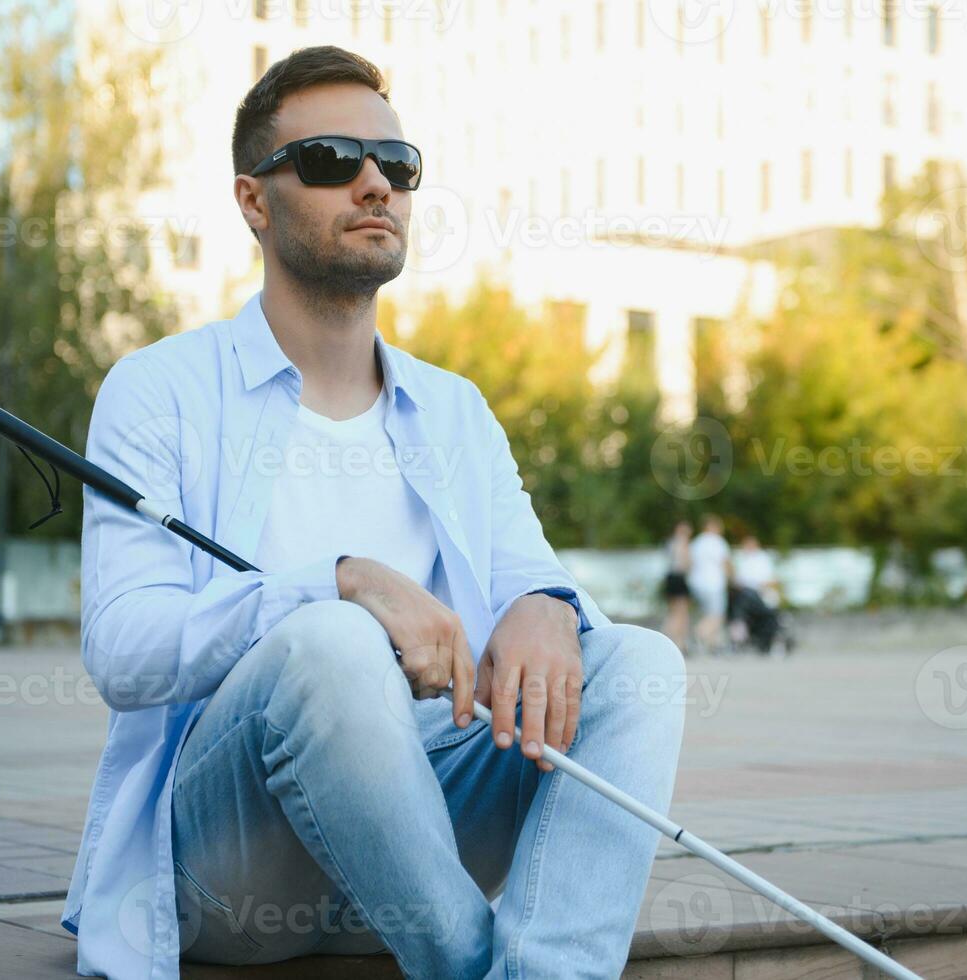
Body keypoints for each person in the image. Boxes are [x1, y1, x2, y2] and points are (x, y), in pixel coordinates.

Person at [63, 47, 687, 980]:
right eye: (327, 159)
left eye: (396, 166)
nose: (372, 185)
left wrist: (545, 606)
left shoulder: (453, 408)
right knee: (333, 642)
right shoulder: (159, 391)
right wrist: (339, 585)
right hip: (235, 868)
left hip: (424, 850)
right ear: (252, 200)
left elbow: (531, 574)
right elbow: (122, 647)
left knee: (640, 662)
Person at [730, 534, 784, 654]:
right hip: (747, 596)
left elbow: (770, 580)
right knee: (742, 602)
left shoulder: (762, 559)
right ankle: (738, 637)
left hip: (759, 595)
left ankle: (739, 637)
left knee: (744, 601)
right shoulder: (742, 559)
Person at [686, 514, 731, 653]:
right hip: (713, 584)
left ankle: (711, 646)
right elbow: (725, 563)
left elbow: (689, 564)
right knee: (716, 615)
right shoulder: (717, 542)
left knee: (706, 612)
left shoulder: (697, 543)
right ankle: (700, 633)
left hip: (696, 584)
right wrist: (732, 580)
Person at [660, 520, 692, 653]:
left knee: (673, 611)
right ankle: (677, 641)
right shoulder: (683, 543)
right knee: (681, 612)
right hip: (679, 578)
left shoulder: (670, 543)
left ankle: (670, 638)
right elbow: (686, 564)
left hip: (670, 578)